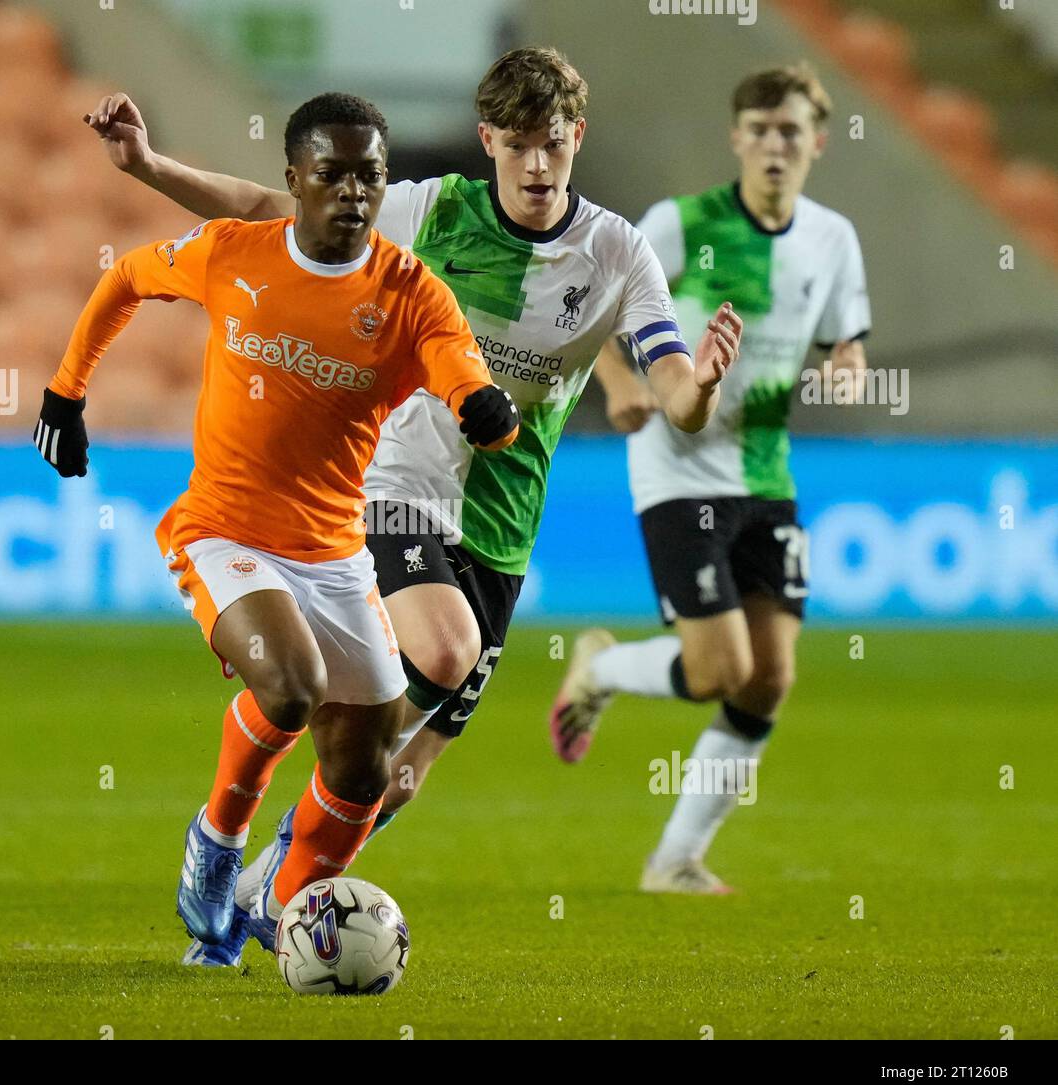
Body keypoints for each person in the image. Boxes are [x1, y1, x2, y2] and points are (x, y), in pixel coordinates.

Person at [80, 49, 742, 961]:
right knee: (439, 647)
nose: (538, 166)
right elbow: (266, 212)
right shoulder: (432, 210)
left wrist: (700, 388)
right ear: (489, 143)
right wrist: (152, 168)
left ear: (577, 138)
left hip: (503, 532)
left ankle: (255, 894)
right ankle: (268, 871)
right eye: (518, 146)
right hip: (397, 489)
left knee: (391, 778)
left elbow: (673, 384)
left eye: (553, 144)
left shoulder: (617, 252)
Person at [33, 93, 519, 959]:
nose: (352, 192)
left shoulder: (410, 293)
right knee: (290, 689)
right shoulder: (233, 252)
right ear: (293, 180)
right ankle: (216, 844)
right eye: (330, 174)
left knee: (363, 765)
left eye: (369, 174)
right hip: (221, 529)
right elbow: (127, 278)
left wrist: (487, 410)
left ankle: (280, 917)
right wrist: (65, 395)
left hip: (334, 553)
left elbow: (465, 378)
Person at [554, 63, 871, 894]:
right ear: (737, 138)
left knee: (770, 678)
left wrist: (848, 365)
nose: (775, 145)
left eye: (790, 131)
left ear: (816, 144)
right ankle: (605, 669)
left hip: (767, 472)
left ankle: (675, 861)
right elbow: (590, 306)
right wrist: (622, 386)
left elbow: (847, 339)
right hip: (678, 465)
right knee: (715, 673)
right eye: (760, 130)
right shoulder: (679, 223)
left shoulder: (833, 239)